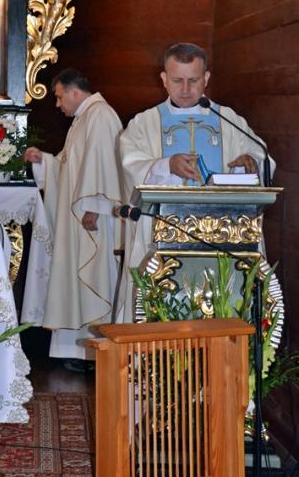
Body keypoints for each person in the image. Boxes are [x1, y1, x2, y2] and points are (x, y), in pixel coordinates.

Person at [117, 42, 275, 321]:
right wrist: (166, 165)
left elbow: (262, 155)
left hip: (224, 232)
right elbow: (131, 164)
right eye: (177, 80)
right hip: (165, 230)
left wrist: (250, 161)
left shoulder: (227, 119)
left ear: (206, 78)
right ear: (164, 79)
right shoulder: (144, 123)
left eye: (193, 80)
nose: (186, 89)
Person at [23, 68, 123, 367]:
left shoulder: (100, 115)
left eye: (59, 97)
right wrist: (45, 161)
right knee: (77, 278)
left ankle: (97, 352)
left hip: (94, 217)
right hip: (82, 215)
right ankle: (80, 351)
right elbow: (70, 167)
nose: (58, 104)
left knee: (94, 276)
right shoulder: (84, 118)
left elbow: (105, 166)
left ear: (74, 92)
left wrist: (95, 206)